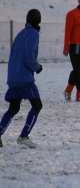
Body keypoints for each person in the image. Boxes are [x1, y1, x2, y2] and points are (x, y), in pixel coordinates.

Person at [0, 9, 43, 148]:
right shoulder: (33, 34)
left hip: (13, 76)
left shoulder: (20, 34)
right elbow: (27, 54)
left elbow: (13, 55)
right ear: (39, 20)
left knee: (14, 107)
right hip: (24, 78)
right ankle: (24, 136)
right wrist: (37, 67)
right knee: (37, 105)